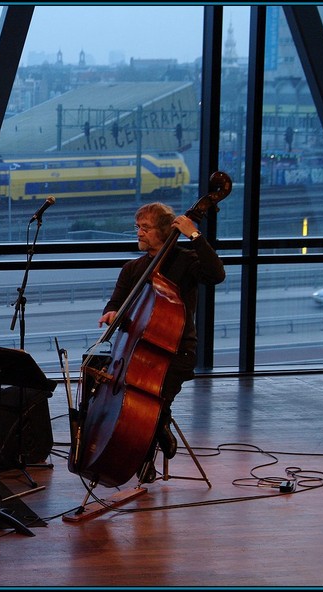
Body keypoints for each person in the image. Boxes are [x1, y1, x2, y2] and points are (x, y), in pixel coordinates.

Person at [98, 202, 225, 482]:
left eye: (146, 228)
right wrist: (111, 313)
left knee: (153, 401)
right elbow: (116, 302)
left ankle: (148, 447)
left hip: (176, 351)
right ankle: (156, 434)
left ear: (166, 232)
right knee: (131, 401)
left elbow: (217, 275)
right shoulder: (133, 268)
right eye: (137, 227)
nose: (139, 233)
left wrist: (195, 235)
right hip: (136, 350)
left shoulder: (187, 261)